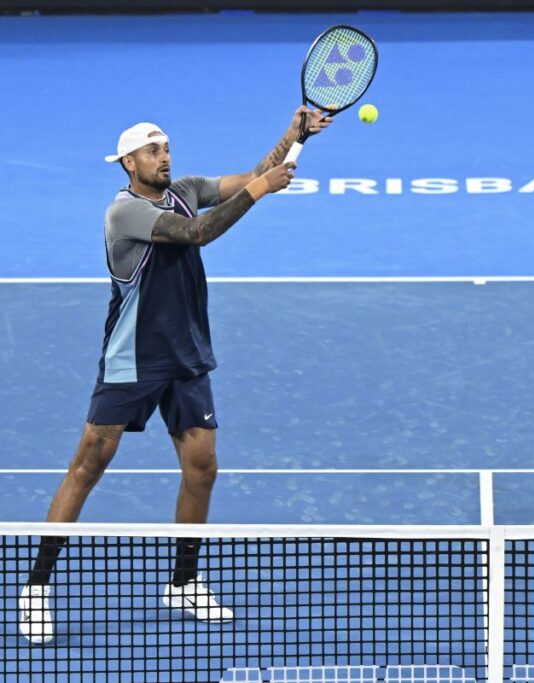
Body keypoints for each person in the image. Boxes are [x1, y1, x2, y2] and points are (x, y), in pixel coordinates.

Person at [18, 107, 332, 644]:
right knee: (89, 464)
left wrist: (292, 135)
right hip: (133, 360)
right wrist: (261, 192)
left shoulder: (183, 187)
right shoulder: (125, 214)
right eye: (152, 151)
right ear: (128, 163)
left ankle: (184, 581)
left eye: (166, 149)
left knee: (202, 466)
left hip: (186, 356)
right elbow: (199, 231)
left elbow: (251, 174)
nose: (164, 157)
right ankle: (36, 589)